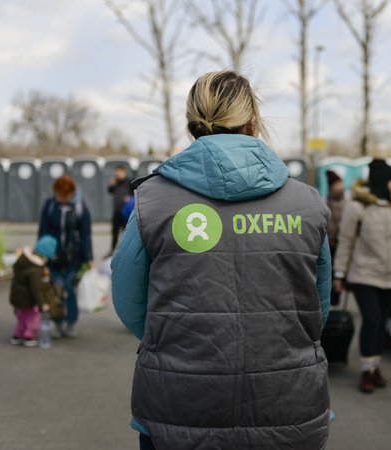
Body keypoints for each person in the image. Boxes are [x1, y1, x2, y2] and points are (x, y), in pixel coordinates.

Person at [111, 71, 332, 450]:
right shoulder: (307, 204)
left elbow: (128, 298)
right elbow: (317, 306)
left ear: (192, 123)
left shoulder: (152, 201)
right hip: (288, 405)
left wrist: (173, 341)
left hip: (178, 407)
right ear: (253, 121)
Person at [333, 159, 391, 394]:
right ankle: (366, 370)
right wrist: (339, 273)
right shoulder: (357, 206)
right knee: (372, 319)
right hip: (364, 274)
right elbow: (346, 241)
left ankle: (375, 366)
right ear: (382, 180)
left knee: (382, 321)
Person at [38, 175, 93, 339]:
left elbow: (85, 235)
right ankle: (58, 323)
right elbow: (42, 231)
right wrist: (40, 254)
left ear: (71, 193)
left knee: (70, 289)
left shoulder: (80, 208)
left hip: (73, 258)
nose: (61, 198)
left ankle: (70, 323)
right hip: (53, 258)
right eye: (58, 194)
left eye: (64, 195)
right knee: (56, 291)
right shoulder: (49, 206)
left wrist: (88, 257)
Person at [9, 235, 58, 347]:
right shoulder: (35, 270)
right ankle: (29, 336)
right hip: (28, 300)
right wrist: (42, 304)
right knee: (32, 318)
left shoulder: (23, 260)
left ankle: (17, 335)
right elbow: (36, 289)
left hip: (17, 297)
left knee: (21, 317)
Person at [326, 169, 346, 306]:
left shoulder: (347, 202)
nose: (340, 187)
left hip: (342, 243)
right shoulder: (326, 201)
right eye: (337, 184)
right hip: (330, 244)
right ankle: (332, 302)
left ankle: (336, 302)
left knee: (339, 274)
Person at [108, 164, 132, 252]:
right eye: (116, 172)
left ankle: (124, 250)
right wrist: (111, 184)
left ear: (124, 172)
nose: (117, 174)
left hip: (126, 211)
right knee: (114, 232)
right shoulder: (116, 182)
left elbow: (135, 192)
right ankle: (112, 250)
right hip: (116, 211)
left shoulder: (129, 181)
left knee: (125, 232)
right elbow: (110, 190)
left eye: (119, 172)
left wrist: (129, 197)